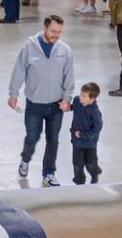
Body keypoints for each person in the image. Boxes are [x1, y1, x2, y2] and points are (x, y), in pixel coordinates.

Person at [8, 14, 76, 184]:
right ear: (45, 28)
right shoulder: (29, 47)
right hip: (34, 104)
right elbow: (19, 70)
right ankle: (25, 159)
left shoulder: (65, 51)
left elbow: (69, 77)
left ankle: (48, 173)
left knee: (53, 140)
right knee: (32, 137)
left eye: (59, 32)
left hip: (56, 104)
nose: (56, 35)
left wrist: (67, 98)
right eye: (53, 31)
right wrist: (13, 93)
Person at [70, 82, 104, 184]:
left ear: (92, 99)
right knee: (77, 163)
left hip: (89, 143)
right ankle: (79, 181)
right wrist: (67, 107)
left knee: (90, 163)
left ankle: (95, 173)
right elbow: (73, 107)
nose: (80, 97)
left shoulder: (94, 111)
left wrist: (83, 135)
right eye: (81, 94)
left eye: (84, 96)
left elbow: (97, 128)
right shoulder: (77, 101)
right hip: (76, 141)